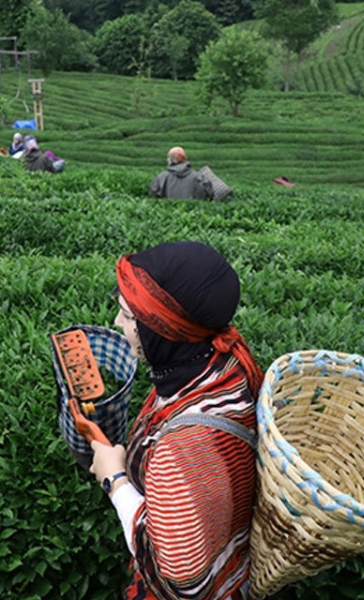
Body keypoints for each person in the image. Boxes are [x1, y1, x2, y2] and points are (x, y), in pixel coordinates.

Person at [90, 241, 262, 600]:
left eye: (127, 315)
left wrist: (116, 480)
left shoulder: (183, 448)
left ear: (161, 328)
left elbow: (184, 580)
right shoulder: (219, 363)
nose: (116, 323)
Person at [149, 147, 215, 200]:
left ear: (169, 161)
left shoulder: (161, 178)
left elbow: (153, 196)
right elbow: (211, 195)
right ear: (185, 158)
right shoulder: (200, 177)